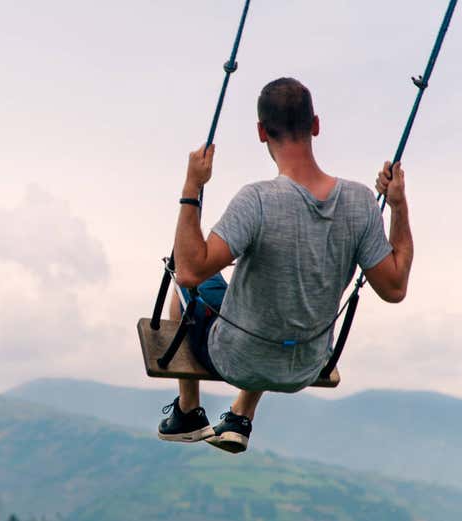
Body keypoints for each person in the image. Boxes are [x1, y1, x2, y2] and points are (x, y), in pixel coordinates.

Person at [158, 77, 413, 453]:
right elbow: (395, 289)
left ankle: (188, 410)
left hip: (235, 359)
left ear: (262, 132)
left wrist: (192, 186)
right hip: (305, 365)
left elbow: (191, 271)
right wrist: (398, 206)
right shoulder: (360, 203)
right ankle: (240, 416)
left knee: (187, 275)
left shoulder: (257, 200)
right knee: (273, 292)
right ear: (316, 125)